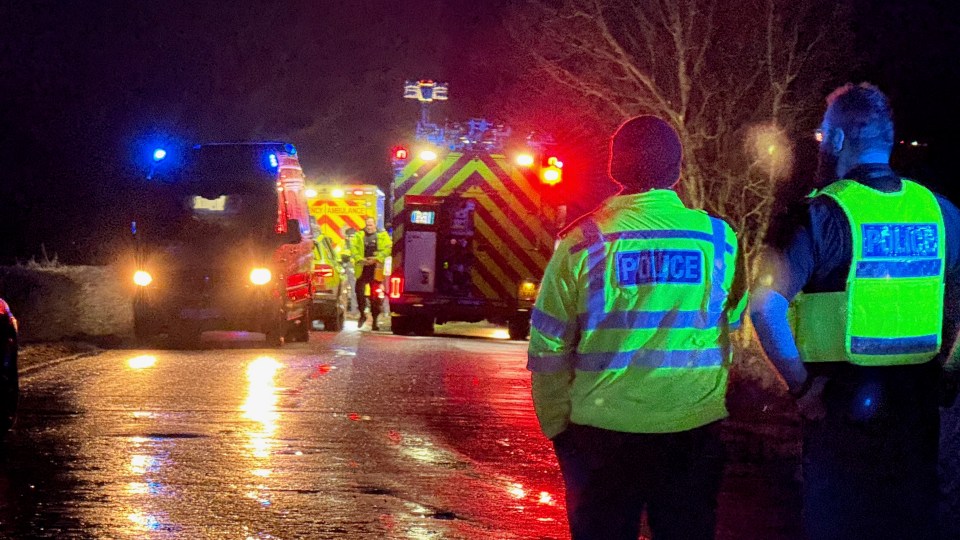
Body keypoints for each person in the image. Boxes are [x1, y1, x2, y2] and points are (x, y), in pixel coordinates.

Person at [750, 82, 960, 540]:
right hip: (916, 412)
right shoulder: (942, 212)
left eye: (824, 138)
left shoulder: (816, 216)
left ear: (840, 140)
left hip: (838, 413)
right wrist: (950, 370)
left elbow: (765, 307)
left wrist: (801, 387)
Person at [527, 115, 748, 540]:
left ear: (615, 169)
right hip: (692, 430)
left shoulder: (582, 243)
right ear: (677, 171)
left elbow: (547, 345)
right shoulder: (719, 240)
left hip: (601, 436)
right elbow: (733, 322)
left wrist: (558, 427)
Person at [350, 217, 392, 331]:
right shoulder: (359, 236)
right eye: (367, 225)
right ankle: (362, 314)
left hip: (375, 270)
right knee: (359, 293)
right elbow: (353, 249)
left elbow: (388, 249)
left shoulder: (382, 236)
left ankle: (375, 321)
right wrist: (361, 259)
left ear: (375, 225)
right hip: (362, 270)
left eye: (371, 225)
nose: (369, 227)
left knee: (376, 298)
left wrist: (376, 258)